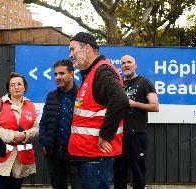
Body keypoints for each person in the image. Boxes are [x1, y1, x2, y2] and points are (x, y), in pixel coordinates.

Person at [68, 32, 129, 189]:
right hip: (86, 154)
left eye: (72, 49)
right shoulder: (90, 73)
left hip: (95, 156)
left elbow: (121, 99)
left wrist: (105, 135)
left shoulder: (102, 71)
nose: (70, 55)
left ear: (86, 48)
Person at [114, 55, 159, 189]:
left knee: (138, 173)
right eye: (123, 63)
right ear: (120, 67)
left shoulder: (144, 82)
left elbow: (155, 106)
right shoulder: (118, 84)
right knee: (119, 174)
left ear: (135, 66)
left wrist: (134, 104)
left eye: (129, 62)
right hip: (119, 135)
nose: (126, 65)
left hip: (137, 135)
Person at [0, 72, 39, 189]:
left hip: (22, 160)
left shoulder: (31, 105)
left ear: (24, 86)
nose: (16, 87)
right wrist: (12, 136)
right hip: (2, 159)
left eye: (19, 84)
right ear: (8, 88)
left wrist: (25, 135)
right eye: (12, 85)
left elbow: (37, 128)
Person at [38, 59, 80, 189]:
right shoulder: (51, 96)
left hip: (76, 154)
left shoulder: (82, 96)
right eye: (55, 74)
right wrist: (44, 142)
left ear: (72, 74)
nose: (58, 77)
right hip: (55, 153)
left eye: (62, 73)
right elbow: (44, 122)